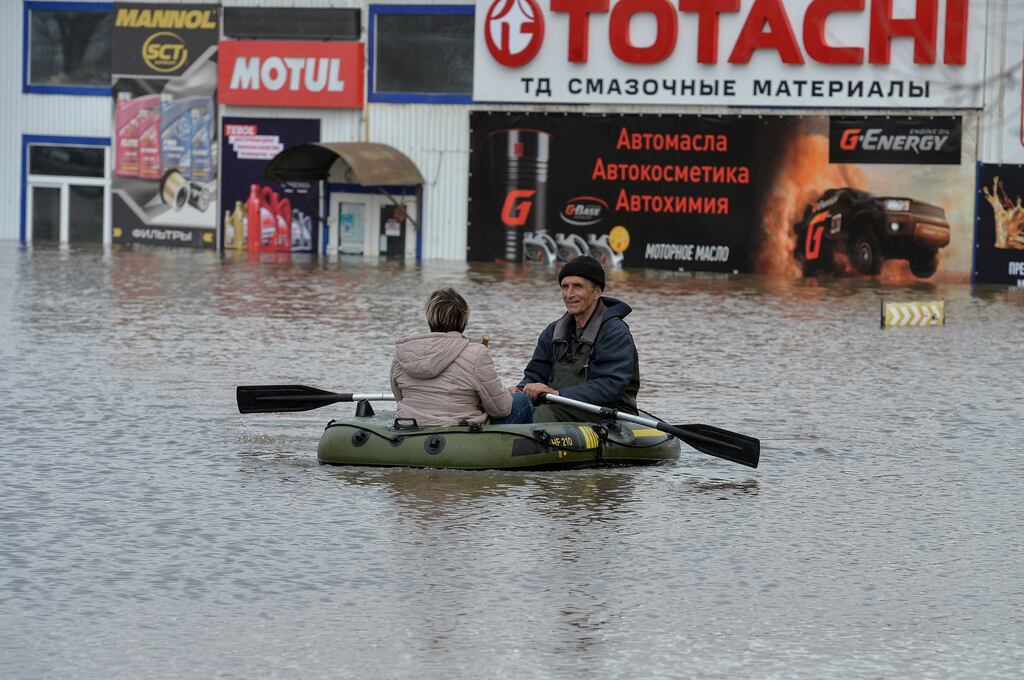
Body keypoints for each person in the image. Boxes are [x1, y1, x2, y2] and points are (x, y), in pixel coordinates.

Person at [514, 255, 640, 422]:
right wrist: (519, 390)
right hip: (560, 405)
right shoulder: (553, 331)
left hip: (607, 411)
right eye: (564, 287)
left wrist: (558, 394)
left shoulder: (615, 332)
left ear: (597, 292)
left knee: (543, 416)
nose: (569, 294)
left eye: (577, 287)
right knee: (512, 406)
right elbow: (535, 374)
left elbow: (611, 385)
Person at [390, 287, 533, 427]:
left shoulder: (404, 351)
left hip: (409, 426)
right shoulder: (477, 354)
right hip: (458, 432)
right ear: (464, 320)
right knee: (522, 400)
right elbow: (501, 409)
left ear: (430, 318)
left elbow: (399, 397)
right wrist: (504, 393)